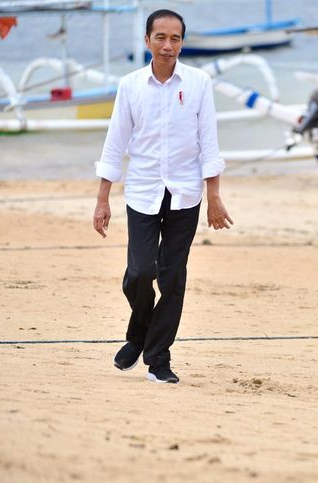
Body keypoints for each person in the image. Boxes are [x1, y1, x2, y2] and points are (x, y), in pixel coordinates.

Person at [92, 9, 232, 384]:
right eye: (161, 38)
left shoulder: (200, 82)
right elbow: (115, 142)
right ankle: (138, 333)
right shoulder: (131, 86)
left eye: (175, 39)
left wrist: (214, 196)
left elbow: (209, 143)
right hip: (141, 191)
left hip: (186, 194)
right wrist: (103, 198)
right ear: (147, 41)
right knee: (139, 273)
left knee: (172, 278)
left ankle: (158, 358)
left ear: (182, 43)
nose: (168, 46)